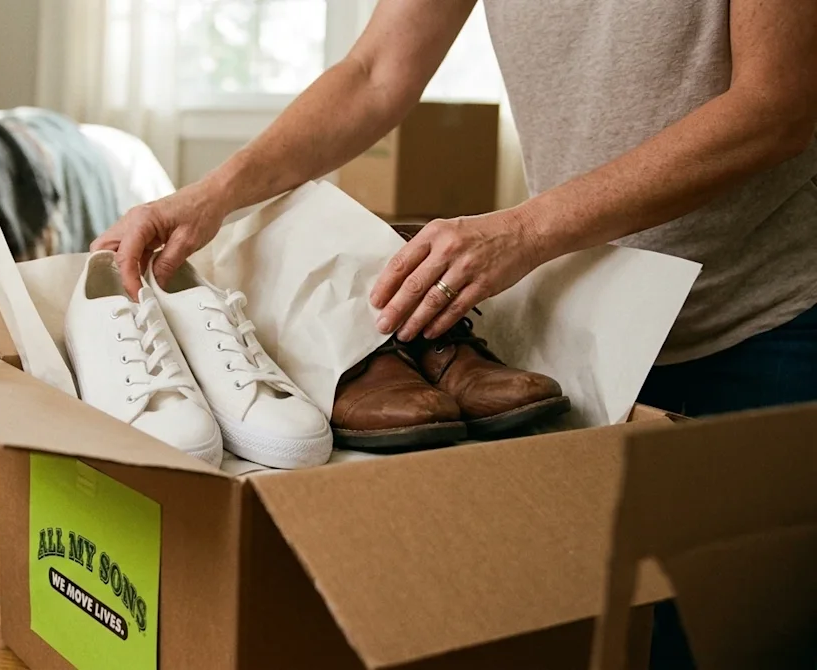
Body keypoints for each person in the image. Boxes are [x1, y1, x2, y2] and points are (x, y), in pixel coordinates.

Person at [94, 3, 815, 663]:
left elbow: (778, 103)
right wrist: (207, 197)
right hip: (600, 325)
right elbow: (375, 71)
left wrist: (525, 230)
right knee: (597, 642)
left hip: (763, 321)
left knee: (730, 646)